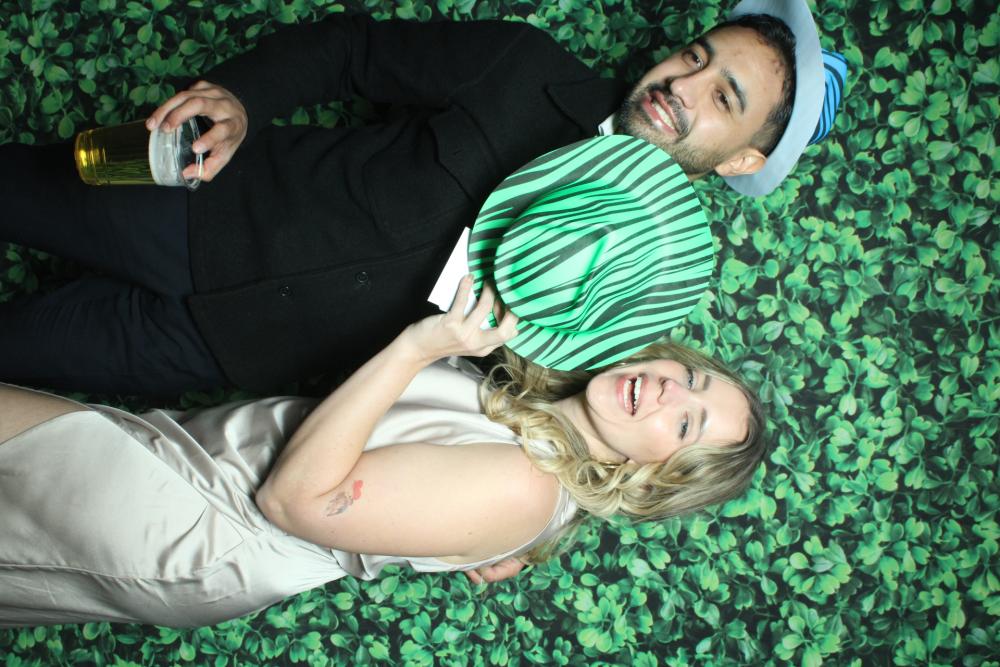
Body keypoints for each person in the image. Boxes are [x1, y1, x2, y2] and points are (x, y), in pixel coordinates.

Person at [0, 0, 840, 395]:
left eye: (722, 97)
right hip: (196, 201)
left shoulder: (635, 291)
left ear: (742, 160)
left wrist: (526, 535)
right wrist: (244, 97)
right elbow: (354, 51)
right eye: (695, 56)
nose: (680, 86)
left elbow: (551, 414)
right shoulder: (523, 67)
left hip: (221, 351)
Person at [0, 278, 765, 627]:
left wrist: (416, 346)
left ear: (651, 477)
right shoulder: (538, 439)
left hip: (200, 523)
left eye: (686, 424)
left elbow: (292, 501)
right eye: (690, 377)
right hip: (191, 468)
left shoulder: (526, 485)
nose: (668, 390)